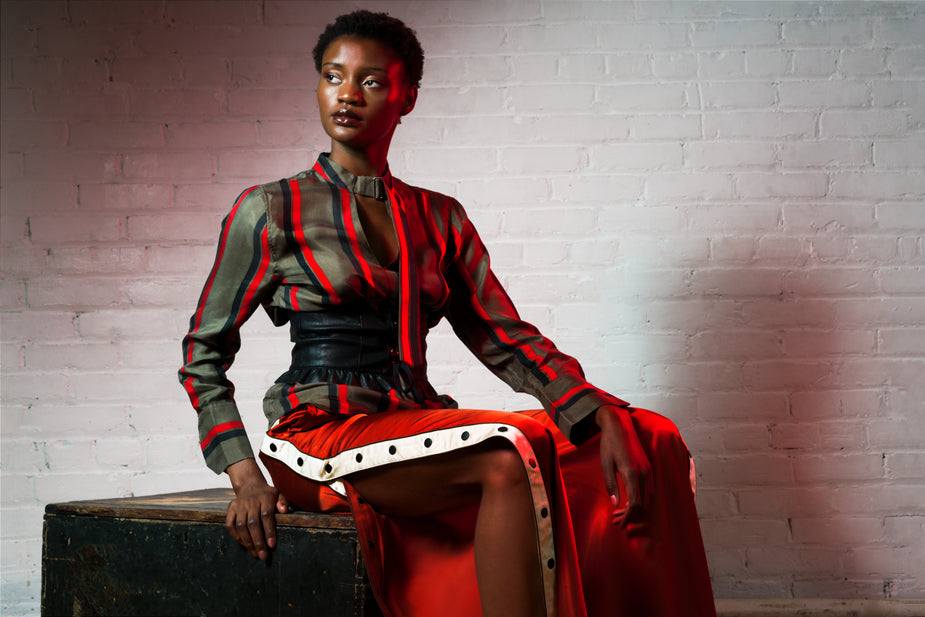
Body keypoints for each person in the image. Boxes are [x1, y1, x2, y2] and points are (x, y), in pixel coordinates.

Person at [178, 9, 716, 617]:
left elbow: (502, 336)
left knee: (652, 434)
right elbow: (202, 354)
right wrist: (243, 476)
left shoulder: (440, 216)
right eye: (333, 76)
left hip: (413, 426)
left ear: (407, 98)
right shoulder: (271, 208)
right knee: (505, 454)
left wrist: (594, 408)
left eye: (372, 81)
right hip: (316, 438)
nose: (348, 94)